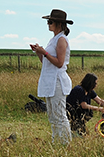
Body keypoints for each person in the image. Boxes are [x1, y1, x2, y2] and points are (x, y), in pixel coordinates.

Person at [30, 9, 73, 144]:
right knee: (52, 116)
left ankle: (66, 143)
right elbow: (46, 62)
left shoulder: (61, 40)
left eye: (50, 22)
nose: (48, 24)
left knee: (60, 115)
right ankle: (56, 142)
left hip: (57, 82)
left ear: (59, 24)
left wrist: (45, 52)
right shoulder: (53, 39)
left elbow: (59, 63)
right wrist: (39, 52)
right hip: (50, 82)